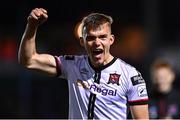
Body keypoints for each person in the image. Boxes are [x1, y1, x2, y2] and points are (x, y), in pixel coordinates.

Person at [18, 8, 149, 119]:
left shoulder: (131, 75)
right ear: (82, 41)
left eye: (102, 37)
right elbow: (28, 60)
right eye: (91, 38)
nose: (97, 42)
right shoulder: (72, 65)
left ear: (111, 40)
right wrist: (32, 26)